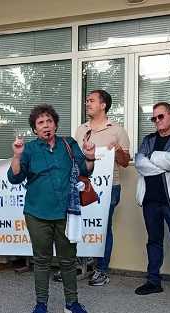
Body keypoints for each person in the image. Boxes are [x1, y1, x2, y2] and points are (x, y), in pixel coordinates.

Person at [7, 104, 96, 313]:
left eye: (49, 121)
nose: (46, 125)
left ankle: (72, 303)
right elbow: (15, 178)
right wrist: (17, 156)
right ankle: (41, 304)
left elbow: (85, 171)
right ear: (35, 129)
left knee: (68, 259)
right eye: (40, 122)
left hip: (66, 212)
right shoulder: (29, 149)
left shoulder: (69, 144)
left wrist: (90, 157)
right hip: (37, 213)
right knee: (41, 260)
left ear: (55, 125)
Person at [134, 102, 170, 302]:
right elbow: (139, 163)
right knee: (153, 241)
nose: (157, 121)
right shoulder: (148, 139)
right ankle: (153, 282)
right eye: (154, 118)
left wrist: (151, 157)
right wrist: (162, 161)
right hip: (150, 200)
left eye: (161, 116)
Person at [73, 90, 130, 286]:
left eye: (91, 100)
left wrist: (118, 150)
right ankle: (81, 266)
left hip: (109, 187)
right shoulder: (81, 130)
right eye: (86, 100)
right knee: (81, 223)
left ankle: (101, 270)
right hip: (83, 185)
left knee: (103, 227)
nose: (87, 103)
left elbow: (125, 162)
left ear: (103, 105)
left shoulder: (117, 130)